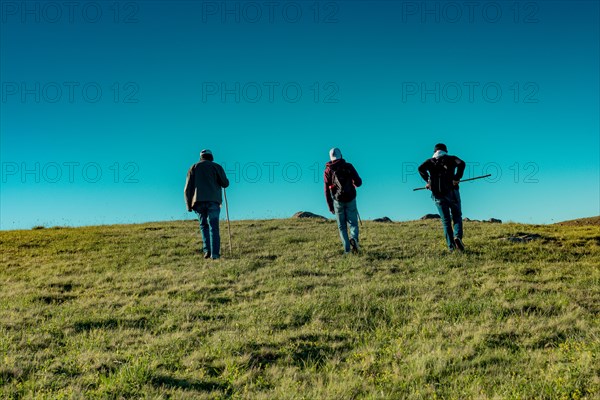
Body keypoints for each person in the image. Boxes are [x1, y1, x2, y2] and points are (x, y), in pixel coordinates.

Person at [418, 143, 466, 251]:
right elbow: (462, 164)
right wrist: (456, 178)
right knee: (457, 216)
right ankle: (457, 237)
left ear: (434, 152)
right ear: (446, 151)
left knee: (446, 221)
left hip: (437, 195)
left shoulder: (430, 161)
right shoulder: (451, 158)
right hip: (452, 192)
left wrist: (428, 181)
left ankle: (451, 248)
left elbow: (420, 168)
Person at [185, 149, 230, 259]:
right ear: (211, 157)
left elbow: (188, 187)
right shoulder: (216, 167)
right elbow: (225, 183)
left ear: (201, 157)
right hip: (213, 201)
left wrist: (188, 204)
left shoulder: (193, 167)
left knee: (204, 225)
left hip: (198, 201)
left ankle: (207, 251)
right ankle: (215, 254)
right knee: (214, 226)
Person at [324, 148, 363, 254]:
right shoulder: (348, 166)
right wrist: (354, 183)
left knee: (342, 227)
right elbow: (359, 182)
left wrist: (330, 206)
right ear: (340, 155)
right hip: (350, 198)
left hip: (337, 201)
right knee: (353, 223)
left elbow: (326, 190)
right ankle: (354, 239)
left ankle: (347, 251)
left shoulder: (328, 171)